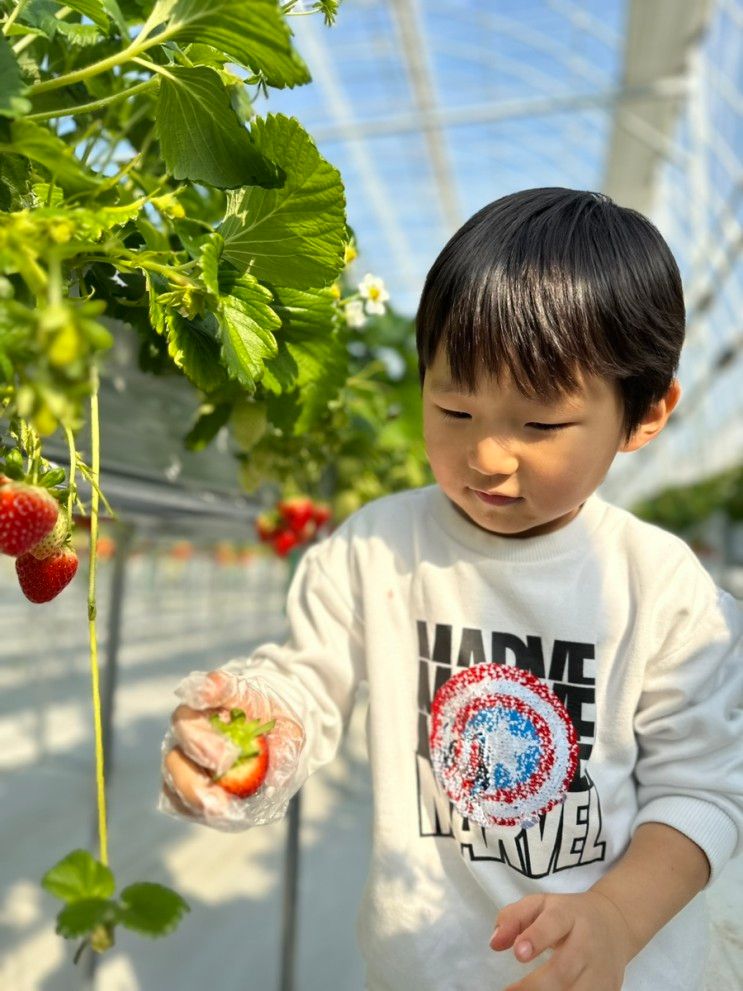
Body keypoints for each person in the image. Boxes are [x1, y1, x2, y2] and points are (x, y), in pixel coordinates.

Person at [160, 187, 742, 991]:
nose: (487, 456)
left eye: (539, 425)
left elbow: (702, 792)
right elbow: (310, 679)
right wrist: (255, 722)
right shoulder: (377, 548)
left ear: (645, 412)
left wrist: (613, 918)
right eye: (453, 407)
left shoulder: (663, 589)